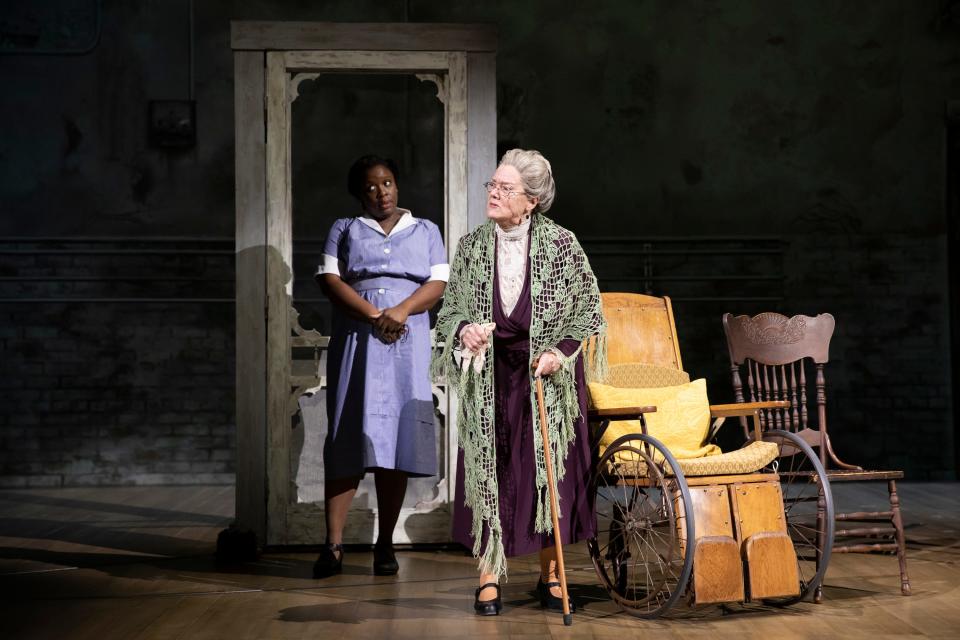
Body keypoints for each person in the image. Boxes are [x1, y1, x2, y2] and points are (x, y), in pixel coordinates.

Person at [432, 149, 606, 615]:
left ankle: (551, 575)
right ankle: (489, 575)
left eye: (505, 188)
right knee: (493, 473)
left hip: (545, 376)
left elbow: (586, 311)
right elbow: (451, 311)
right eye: (492, 184)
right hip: (492, 376)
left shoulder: (563, 245)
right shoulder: (471, 247)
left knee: (548, 476)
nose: (493, 192)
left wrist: (557, 353)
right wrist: (465, 328)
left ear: (530, 201)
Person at [314, 154, 448, 578]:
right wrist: (376, 316)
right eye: (371, 186)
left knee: (397, 441)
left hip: (408, 342)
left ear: (397, 186)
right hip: (359, 337)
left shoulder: (425, 229)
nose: (381, 192)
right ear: (360, 193)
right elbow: (329, 279)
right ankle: (332, 546)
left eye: (387, 183)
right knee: (348, 435)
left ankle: (385, 543)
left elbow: (439, 281)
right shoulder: (345, 229)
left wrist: (403, 310)